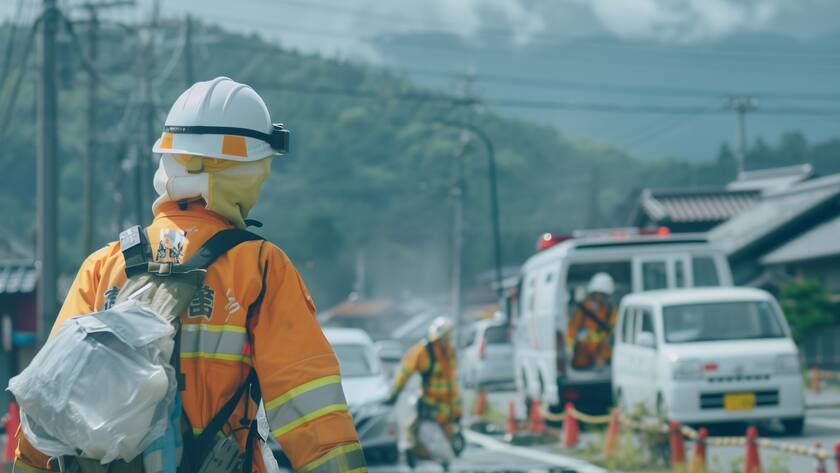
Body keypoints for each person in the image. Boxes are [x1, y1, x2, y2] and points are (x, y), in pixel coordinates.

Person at [15, 77, 365, 473]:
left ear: (169, 159)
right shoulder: (261, 267)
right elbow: (311, 411)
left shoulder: (104, 264)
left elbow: (48, 404)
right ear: (249, 170)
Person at [385, 317, 461, 464]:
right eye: (444, 336)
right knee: (420, 435)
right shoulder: (423, 351)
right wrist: (395, 392)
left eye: (448, 336)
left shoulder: (450, 353)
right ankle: (413, 452)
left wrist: (457, 411)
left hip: (446, 408)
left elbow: (452, 382)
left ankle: (434, 459)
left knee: (444, 442)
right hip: (429, 405)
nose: (447, 340)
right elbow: (405, 371)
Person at [566, 272, 618, 370]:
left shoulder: (611, 310)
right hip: (583, 352)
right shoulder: (583, 309)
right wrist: (569, 348)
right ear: (593, 293)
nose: (601, 297)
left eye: (604, 295)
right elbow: (573, 328)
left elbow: (614, 329)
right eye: (599, 294)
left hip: (602, 351)